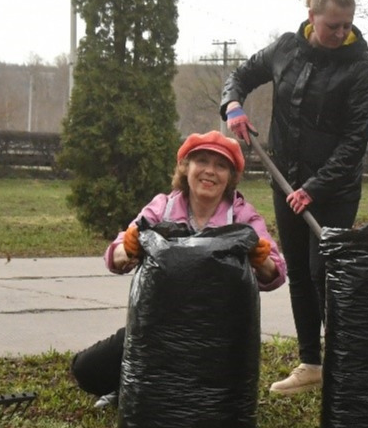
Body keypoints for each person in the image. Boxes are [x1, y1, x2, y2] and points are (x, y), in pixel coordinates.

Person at [220, 0, 368, 395]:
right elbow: (241, 75)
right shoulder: (285, 48)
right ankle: (311, 364)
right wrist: (232, 105)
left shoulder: (357, 66)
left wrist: (317, 186)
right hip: (285, 179)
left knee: (324, 270)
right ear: (312, 18)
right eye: (332, 26)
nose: (340, 33)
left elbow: (355, 140)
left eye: (346, 25)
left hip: (335, 189)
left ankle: (347, 364)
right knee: (300, 275)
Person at [70, 130, 287, 406]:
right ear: (186, 168)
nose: (210, 171)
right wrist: (129, 247)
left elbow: (276, 273)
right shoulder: (163, 207)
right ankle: (125, 387)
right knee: (87, 369)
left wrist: (260, 259)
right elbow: (113, 257)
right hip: (157, 330)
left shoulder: (242, 215)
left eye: (221, 165)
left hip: (217, 338)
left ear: (231, 177)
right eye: (202, 161)